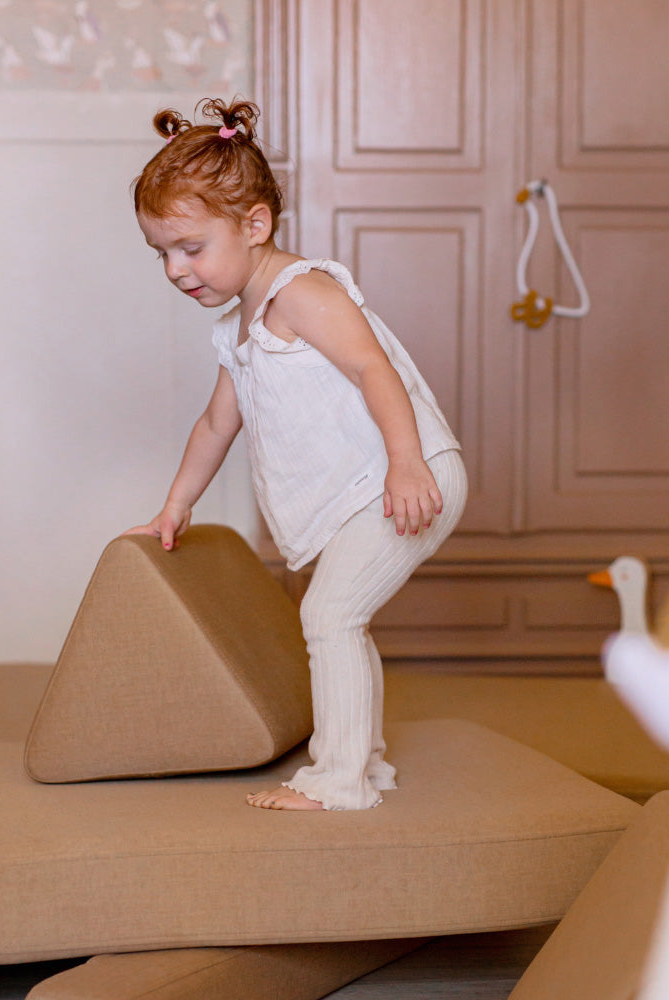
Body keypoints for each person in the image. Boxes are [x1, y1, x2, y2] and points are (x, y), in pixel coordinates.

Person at [124, 98, 466, 811]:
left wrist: (407, 464)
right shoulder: (238, 327)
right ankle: (362, 761)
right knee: (342, 615)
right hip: (365, 488)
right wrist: (176, 504)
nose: (174, 270)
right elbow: (218, 423)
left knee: (329, 616)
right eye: (162, 253)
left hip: (403, 474)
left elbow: (377, 369)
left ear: (255, 225)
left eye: (190, 248)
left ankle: (338, 780)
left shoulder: (301, 292)